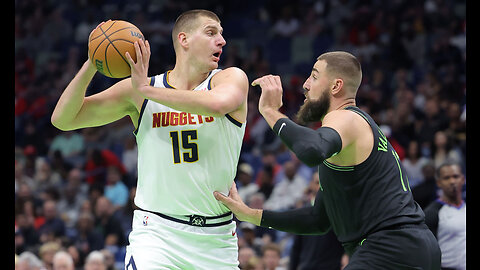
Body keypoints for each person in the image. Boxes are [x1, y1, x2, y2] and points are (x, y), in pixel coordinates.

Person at [51, 9, 248, 269]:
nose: (222, 40)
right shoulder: (141, 92)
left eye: (222, 34)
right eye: (211, 32)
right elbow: (63, 119)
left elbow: (217, 104)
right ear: (184, 39)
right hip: (156, 234)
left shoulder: (230, 78)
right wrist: (93, 61)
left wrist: (146, 90)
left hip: (216, 239)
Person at [215, 51, 441, 269]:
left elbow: (311, 150)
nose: (305, 84)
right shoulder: (346, 139)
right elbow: (318, 219)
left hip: (389, 247)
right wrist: (250, 215)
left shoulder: (345, 117)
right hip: (410, 247)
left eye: (314, 76)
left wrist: (269, 111)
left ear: (336, 86)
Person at [424, 162, 466, 270]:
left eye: (455, 176)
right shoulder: (432, 213)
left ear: (463, 179)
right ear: (439, 183)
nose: (452, 181)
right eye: (447, 178)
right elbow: (426, 251)